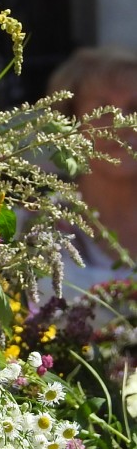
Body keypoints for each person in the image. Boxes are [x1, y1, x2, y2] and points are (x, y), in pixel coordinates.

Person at [46, 47, 137, 296]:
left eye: (135, 107)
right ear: (70, 123)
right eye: (103, 110)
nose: (122, 125)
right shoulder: (38, 227)